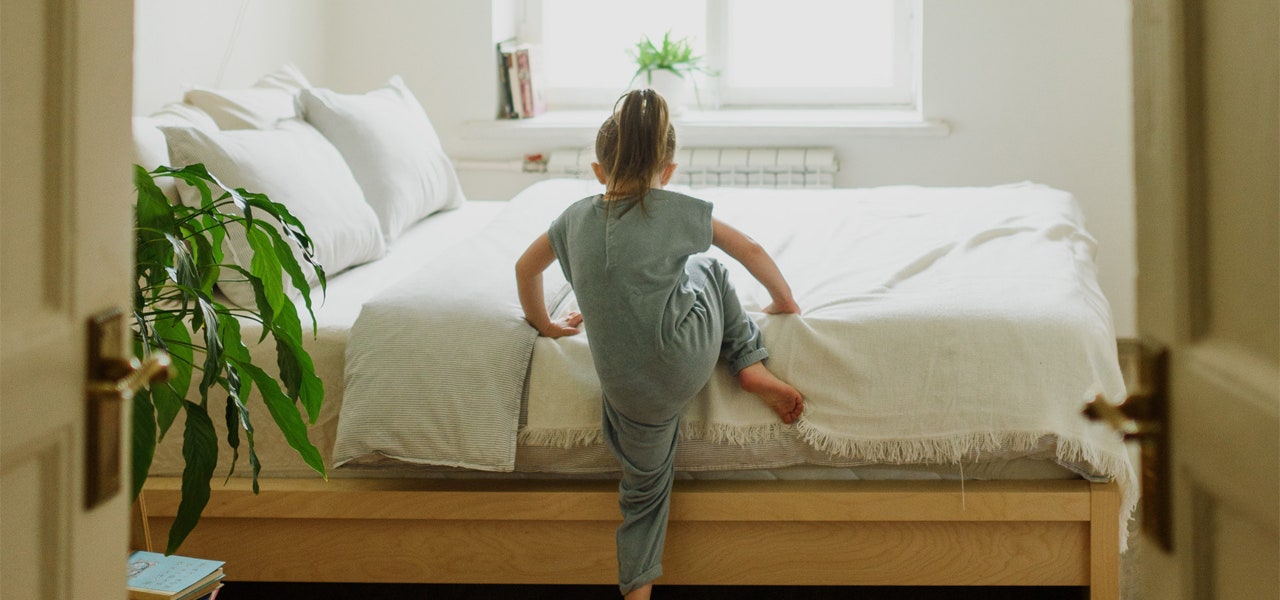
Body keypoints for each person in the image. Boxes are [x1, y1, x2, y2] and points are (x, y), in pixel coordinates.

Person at [515, 89, 804, 600]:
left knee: (644, 498)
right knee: (708, 267)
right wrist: (784, 302)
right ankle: (748, 361)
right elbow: (750, 250)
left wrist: (544, 324)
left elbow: (525, 268)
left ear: (598, 171)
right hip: (685, 360)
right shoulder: (676, 211)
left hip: (630, 393)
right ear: (667, 172)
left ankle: (637, 589)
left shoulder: (571, 220)